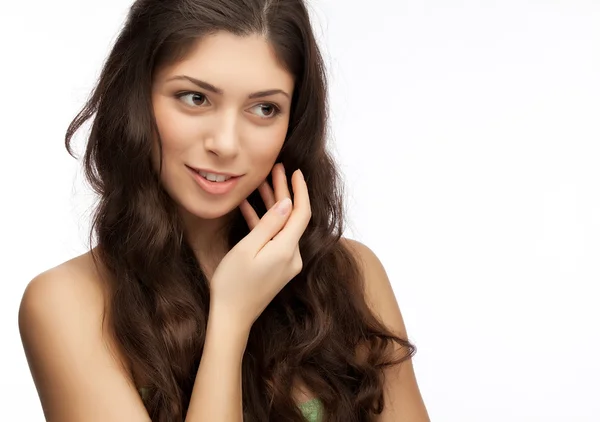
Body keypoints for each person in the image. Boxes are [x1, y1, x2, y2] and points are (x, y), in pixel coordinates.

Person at [18, 0, 430, 421]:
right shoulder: (68, 303)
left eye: (264, 108)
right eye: (195, 98)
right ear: (136, 99)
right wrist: (230, 320)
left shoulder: (350, 275)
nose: (226, 143)